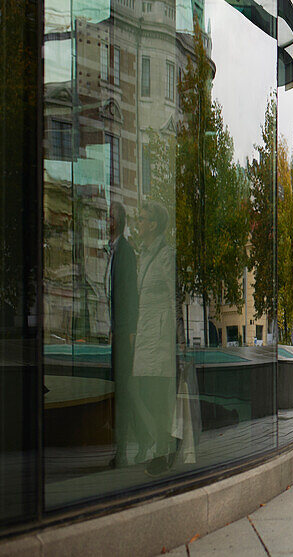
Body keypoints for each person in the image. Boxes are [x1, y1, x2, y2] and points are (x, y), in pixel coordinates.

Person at [132, 201, 178, 476]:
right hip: (146, 331)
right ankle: (162, 442)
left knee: (156, 393)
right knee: (145, 390)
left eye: (142, 218)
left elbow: (174, 297)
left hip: (159, 335)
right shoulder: (145, 254)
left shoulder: (164, 254)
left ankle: (163, 449)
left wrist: (175, 336)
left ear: (154, 224)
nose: (138, 223)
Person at [106, 200, 138, 466]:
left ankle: (126, 448)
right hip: (119, 333)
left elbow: (129, 295)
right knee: (124, 390)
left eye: (109, 217)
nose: (106, 221)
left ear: (117, 221)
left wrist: (126, 332)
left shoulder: (124, 252)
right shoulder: (115, 251)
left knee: (126, 391)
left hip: (124, 336)